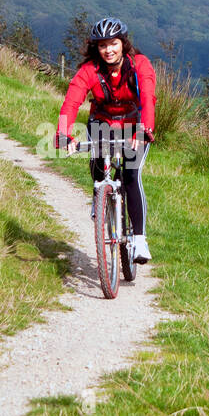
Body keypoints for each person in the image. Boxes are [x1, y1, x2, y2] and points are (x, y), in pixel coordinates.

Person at [57, 17, 157, 263]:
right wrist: (63, 133)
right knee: (97, 164)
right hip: (102, 121)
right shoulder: (90, 70)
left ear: (123, 43)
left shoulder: (139, 65)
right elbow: (71, 102)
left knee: (132, 175)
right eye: (102, 45)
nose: (108, 50)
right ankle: (99, 197)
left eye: (113, 44)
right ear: (96, 48)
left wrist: (144, 129)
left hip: (135, 125)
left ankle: (140, 240)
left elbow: (147, 97)